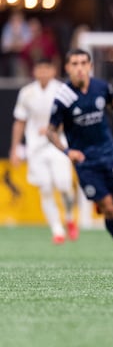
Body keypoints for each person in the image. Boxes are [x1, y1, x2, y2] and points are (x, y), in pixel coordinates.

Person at [47, 48, 113, 261]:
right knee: (109, 207)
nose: (79, 68)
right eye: (75, 64)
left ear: (90, 66)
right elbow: (51, 131)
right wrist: (67, 151)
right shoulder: (63, 97)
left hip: (109, 154)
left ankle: (103, 198)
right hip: (86, 162)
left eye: (83, 63)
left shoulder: (101, 87)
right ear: (67, 68)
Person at [9, 58, 77, 244]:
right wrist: (15, 148)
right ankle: (57, 229)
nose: (43, 72)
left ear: (53, 71)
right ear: (35, 71)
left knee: (63, 185)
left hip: (58, 143)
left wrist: (53, 128)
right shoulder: (27, 93)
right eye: (40, 69)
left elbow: (71, 119)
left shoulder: (62, 90)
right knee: (45, 188)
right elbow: (20, 121)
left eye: (47, 69)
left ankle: (70, 217)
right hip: (36, 147)